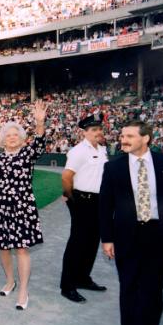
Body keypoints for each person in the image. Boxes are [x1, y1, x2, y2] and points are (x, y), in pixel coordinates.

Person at [99, 120, 163, 325]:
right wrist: (107, 239)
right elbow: (105, 205)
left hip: (160, 235)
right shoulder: (113, 167)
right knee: (128, 287)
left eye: (130, 136)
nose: (123, 140)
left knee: (152, 290)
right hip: (126, 236)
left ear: (146, 138)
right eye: (122, 136)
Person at [0, 100, 48, 310]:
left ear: (21, 139)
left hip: (22, 208)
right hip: (1, 209)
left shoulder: (27, 155)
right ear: (2, 140)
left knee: (21, 249)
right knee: (3, 248)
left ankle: (23, 290)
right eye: (7, 135)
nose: (11, 138)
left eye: (15, 135)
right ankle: (10, 281)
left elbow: (39, 144)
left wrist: (39, 123)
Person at [60, 113, 108, 304]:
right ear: (85, 133)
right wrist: (72, 199)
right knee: (77, 243)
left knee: (92, 242)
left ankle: (83, 278)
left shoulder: (102, 149)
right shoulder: (78, 151)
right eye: (94, 130)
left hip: (98, 201)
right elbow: (66, 176)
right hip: (82, 200)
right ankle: (67, 285)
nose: (98, 132)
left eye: (99, 129)